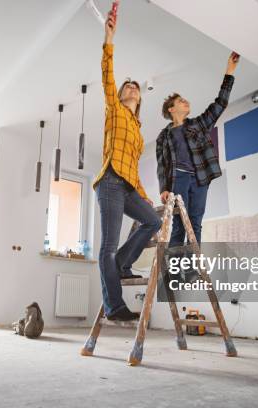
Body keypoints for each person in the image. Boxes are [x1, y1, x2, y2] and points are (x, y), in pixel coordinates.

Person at [92, 8, 161, 321]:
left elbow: (133, 164)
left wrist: (144, 193)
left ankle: (123, 262)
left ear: (140, 100)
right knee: (106, 245)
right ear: (120, 95)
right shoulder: (115, 110)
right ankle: (114, 306)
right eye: (127, 86)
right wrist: (109, 38)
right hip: (109, 182)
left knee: (153, 222)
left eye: (135, 87)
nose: (131, 87)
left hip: (129, 185)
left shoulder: (138, 130)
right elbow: (108, 75)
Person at [156, 52, 240, 251]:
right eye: (181, 101)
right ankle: (176, 273)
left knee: (195, 224)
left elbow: (220, 104)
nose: (186, 102)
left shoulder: (198, 125)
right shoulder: (164, 136)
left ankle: (193, 272)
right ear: (171, 109)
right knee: (178, 226)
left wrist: (229, 72)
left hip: (200, 179)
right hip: (179, 179)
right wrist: (163, 188)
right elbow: (162, 165)